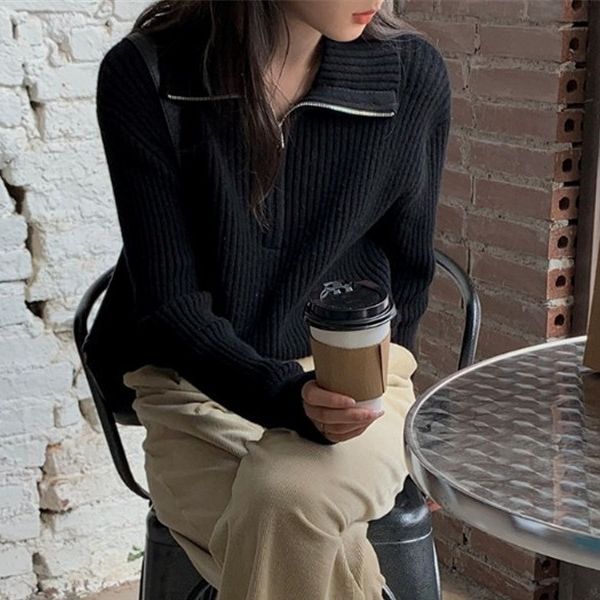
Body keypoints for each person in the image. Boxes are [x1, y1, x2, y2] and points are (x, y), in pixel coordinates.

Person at [85, 0, 450, 598]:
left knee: (285, 500)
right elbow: (169, 303)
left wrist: (386, 415)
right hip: (192, 385)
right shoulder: (149, 73)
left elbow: (408, 274)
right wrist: (282, 398)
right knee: (292, 515)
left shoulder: (410, 76)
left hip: (357, 382)